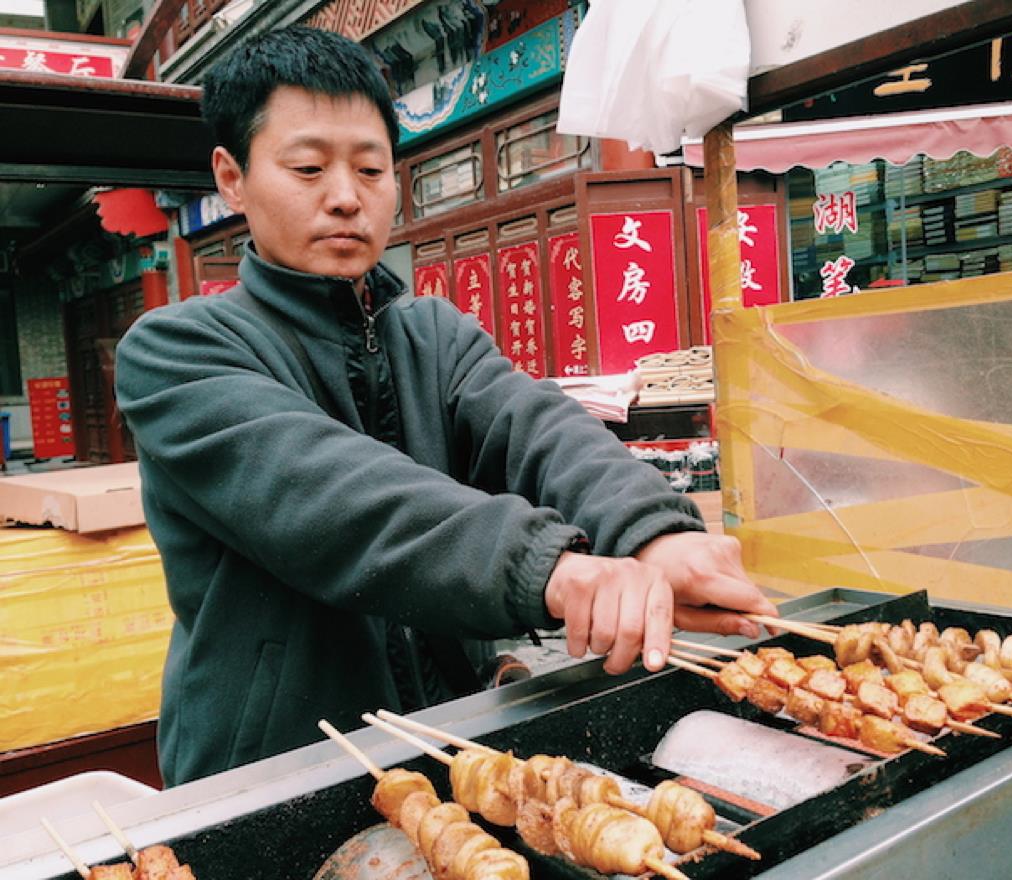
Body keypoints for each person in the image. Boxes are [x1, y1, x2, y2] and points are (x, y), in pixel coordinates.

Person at [115, 25, 777, 787]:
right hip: (275, 772)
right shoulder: (175, 352)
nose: (344, 198)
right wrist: (550, 570)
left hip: (451, 745)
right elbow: (342, 502)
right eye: (306, 168)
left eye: (370, 168)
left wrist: (654, 533)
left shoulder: (433, 333)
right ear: (232, 178)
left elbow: (539, 428)